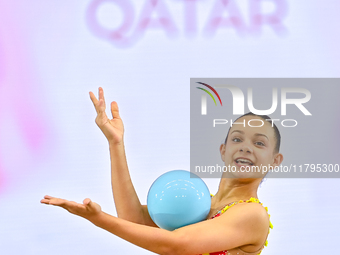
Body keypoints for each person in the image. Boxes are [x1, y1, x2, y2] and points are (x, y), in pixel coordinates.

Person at [41, 87, 283, 255]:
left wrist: (99, 219)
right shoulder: (199, 204)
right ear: (223, 149)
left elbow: (174, 245)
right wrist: (115, 143)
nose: (246, 148)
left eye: (259, 143)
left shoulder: (252, 215)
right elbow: (134, 220)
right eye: (237, 139)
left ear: (275, 161)